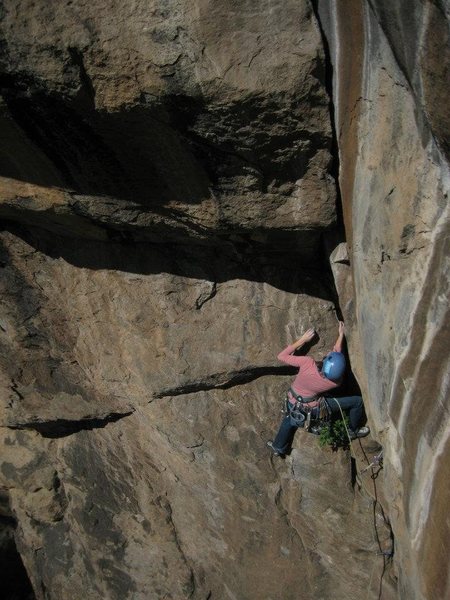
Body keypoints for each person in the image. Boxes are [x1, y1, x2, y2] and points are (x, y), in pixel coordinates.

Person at [267, 321, 369, 457]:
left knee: (289, 420)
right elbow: (336, 353)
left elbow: (281, 356)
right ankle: (353, 430)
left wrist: (302, 340)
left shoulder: (307, 363)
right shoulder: (335, 382)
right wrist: (341, 335)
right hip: (313, 410)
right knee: (357, 401)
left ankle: (278, 447)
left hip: (291, 403)